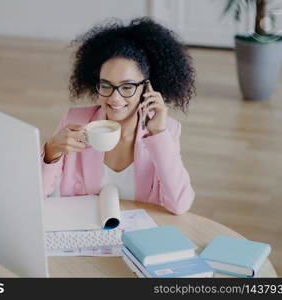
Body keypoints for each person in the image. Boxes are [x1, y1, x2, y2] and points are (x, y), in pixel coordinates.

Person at [41, 17, 195, 215]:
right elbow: (37, 196)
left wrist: (158, 133)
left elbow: (180, 204)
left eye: (127, 87)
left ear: (147, 88)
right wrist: (50, 152)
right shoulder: (75, 121)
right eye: (106, 85)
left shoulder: (166, 131)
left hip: (138, 237)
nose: (115, 98)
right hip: (85, 234)